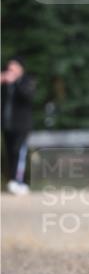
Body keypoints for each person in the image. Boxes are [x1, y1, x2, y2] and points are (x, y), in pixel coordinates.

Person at [1, 55, 34, 195]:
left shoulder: (27, 81)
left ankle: (18, 181)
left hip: (22, 125)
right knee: (10, 153)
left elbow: (27, 97)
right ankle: (12, 180)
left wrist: (15, 82)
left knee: (19, 152)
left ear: (21, 69)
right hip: (7, 125)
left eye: (13, 68)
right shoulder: (5, 84)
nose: (10, 71)